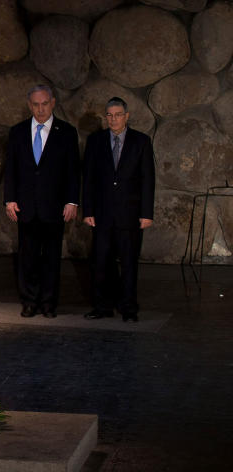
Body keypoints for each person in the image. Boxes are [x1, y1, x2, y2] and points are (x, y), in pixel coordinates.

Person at [3, 85, 79, 318]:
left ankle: (48, 303)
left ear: (53, 103)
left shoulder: (66, 132)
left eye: (44, 104)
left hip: (54, 207)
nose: (40, 109)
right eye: (35, 104)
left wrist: (72, 201)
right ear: (29, 106)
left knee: (52, 258)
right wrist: (10, 200)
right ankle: (29, 301)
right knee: (27, 257)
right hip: (25, 206)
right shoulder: (18, 131)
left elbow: (73, 171)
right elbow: (11, 169)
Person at [82, 97, 155, 322]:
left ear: (127, 116)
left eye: (118, 115)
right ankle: (102, 306)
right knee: (101, 261)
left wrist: (146, 213)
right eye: (110, 115)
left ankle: (129, 308)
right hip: (102, 214)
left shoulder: (141, 142)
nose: (113, 119)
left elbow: (148, 179)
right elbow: (89, 179)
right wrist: (88, 211)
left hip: (131, 214)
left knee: (129, 262)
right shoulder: (95, 141)